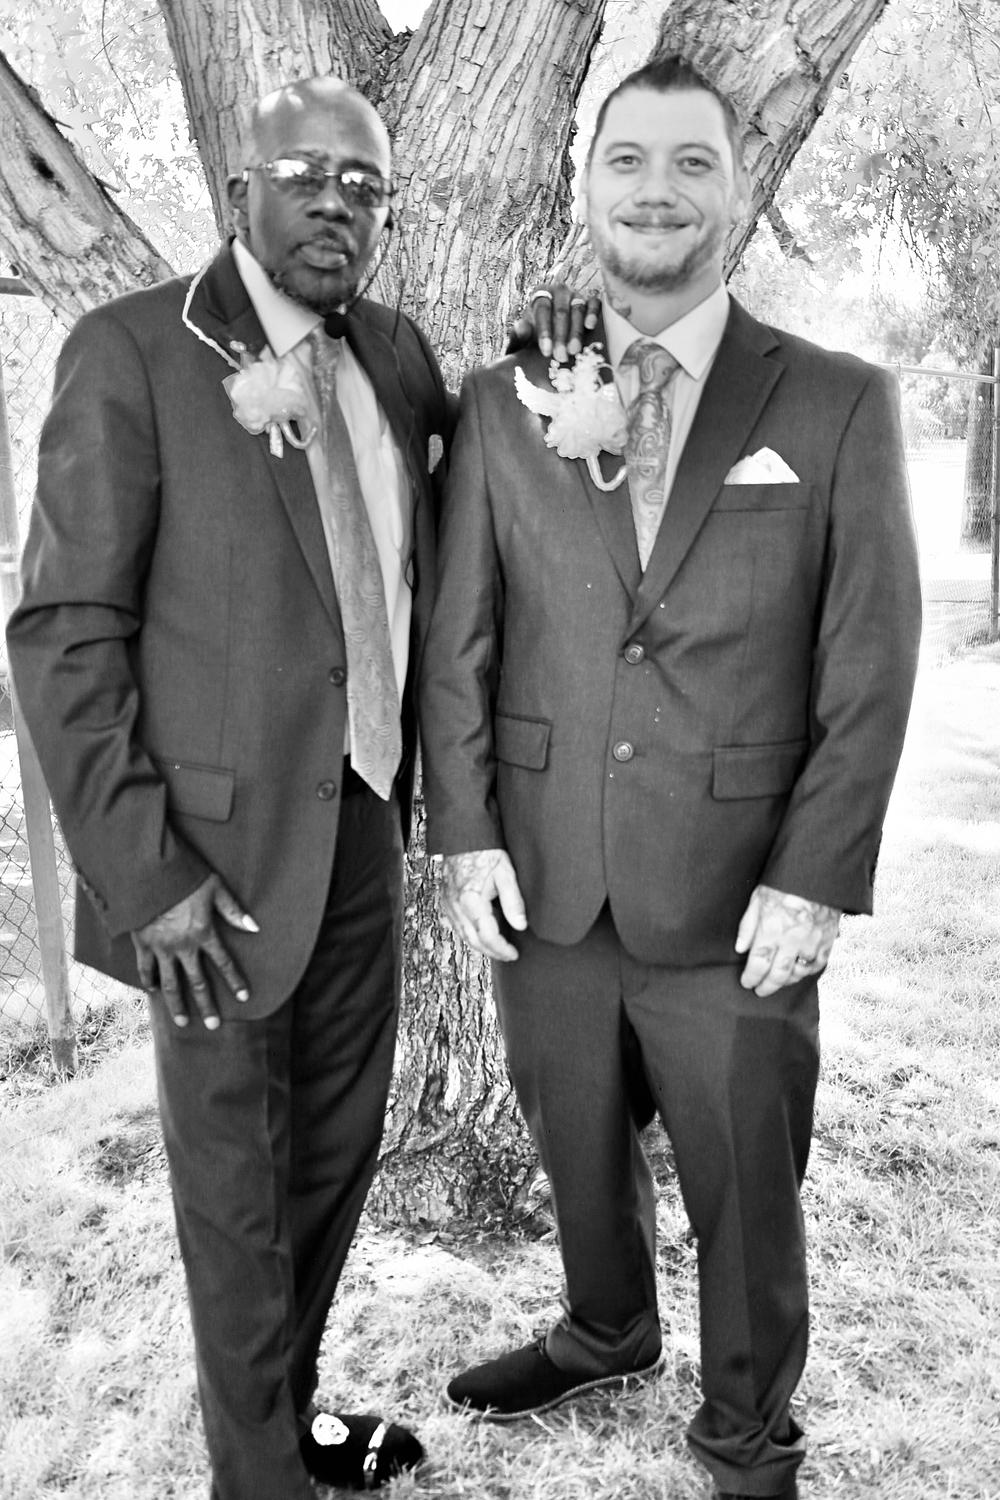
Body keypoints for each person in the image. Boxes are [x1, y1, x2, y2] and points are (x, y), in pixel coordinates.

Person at [5, 73, 581, 1500]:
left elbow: (469, 488)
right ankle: (254, 1478)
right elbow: (63, 636)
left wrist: (550, 354)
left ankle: (288, 1414)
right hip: (204, 870)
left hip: (361, 833)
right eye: (307, 174)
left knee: (331, 1153)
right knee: (233, 1195)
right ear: (239, 193)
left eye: (365, 185)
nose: (338, 203)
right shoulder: (133, 353)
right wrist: (146, 878)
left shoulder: (391, 354)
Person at [419, 56, 922, 1500]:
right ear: (586, 185)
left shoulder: (837, 402)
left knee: (747, 1182)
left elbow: (870, 663)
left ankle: (748, 1432)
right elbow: (460, 639)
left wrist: (817, 878)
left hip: (739, 890)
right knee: (573, 1139)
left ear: (738, 187)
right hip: (547, 872)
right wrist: (466, 833)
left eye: (692, 161)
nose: (657, 190)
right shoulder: (506, 397)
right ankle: (606, 1329)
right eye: (627, 160)